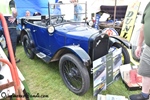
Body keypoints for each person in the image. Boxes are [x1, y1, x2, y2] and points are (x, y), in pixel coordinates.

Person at [129, 2, 150, 100]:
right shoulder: (148, 5)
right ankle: (144, 95)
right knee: (145, 72)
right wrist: (139, 45)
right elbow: (143, 27)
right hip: (148, 47)